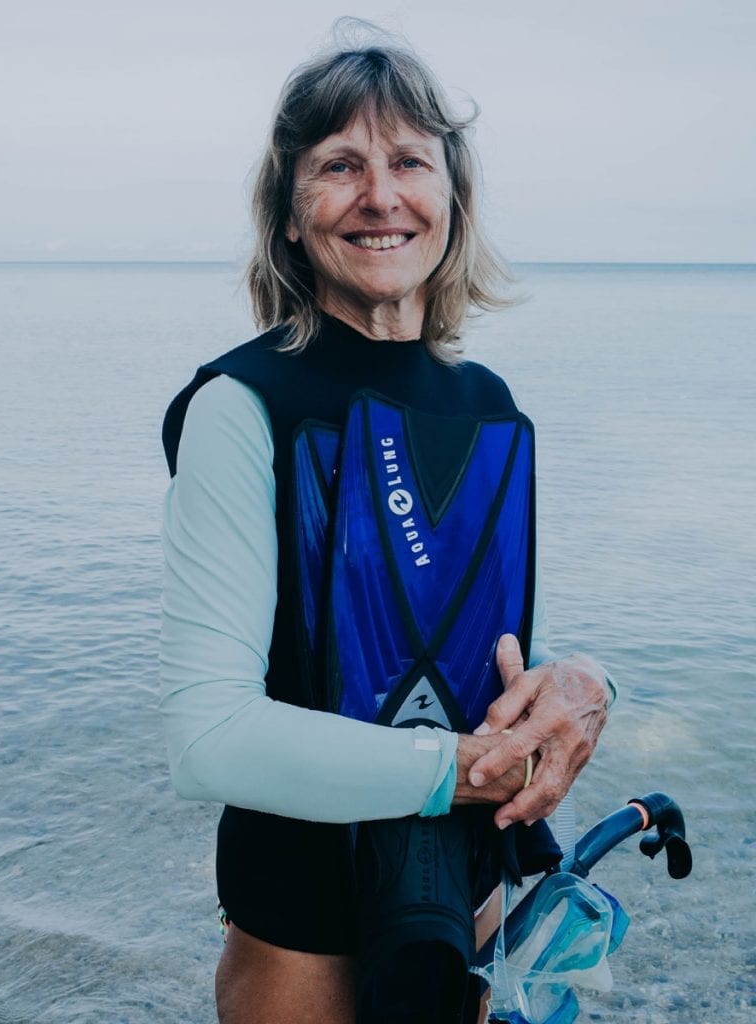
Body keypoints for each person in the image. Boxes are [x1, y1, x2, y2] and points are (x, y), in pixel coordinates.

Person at [160, 25, 612, 1024]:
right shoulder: (243, 407)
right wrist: (458, 770)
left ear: (453, 196)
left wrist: (586, 683)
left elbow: (472, 644)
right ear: (287, 211)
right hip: (303, 934)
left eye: (411, 160)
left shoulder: (491, 406)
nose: (380, 195)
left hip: (470, 909)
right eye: (338, 166)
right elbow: (209, 736)